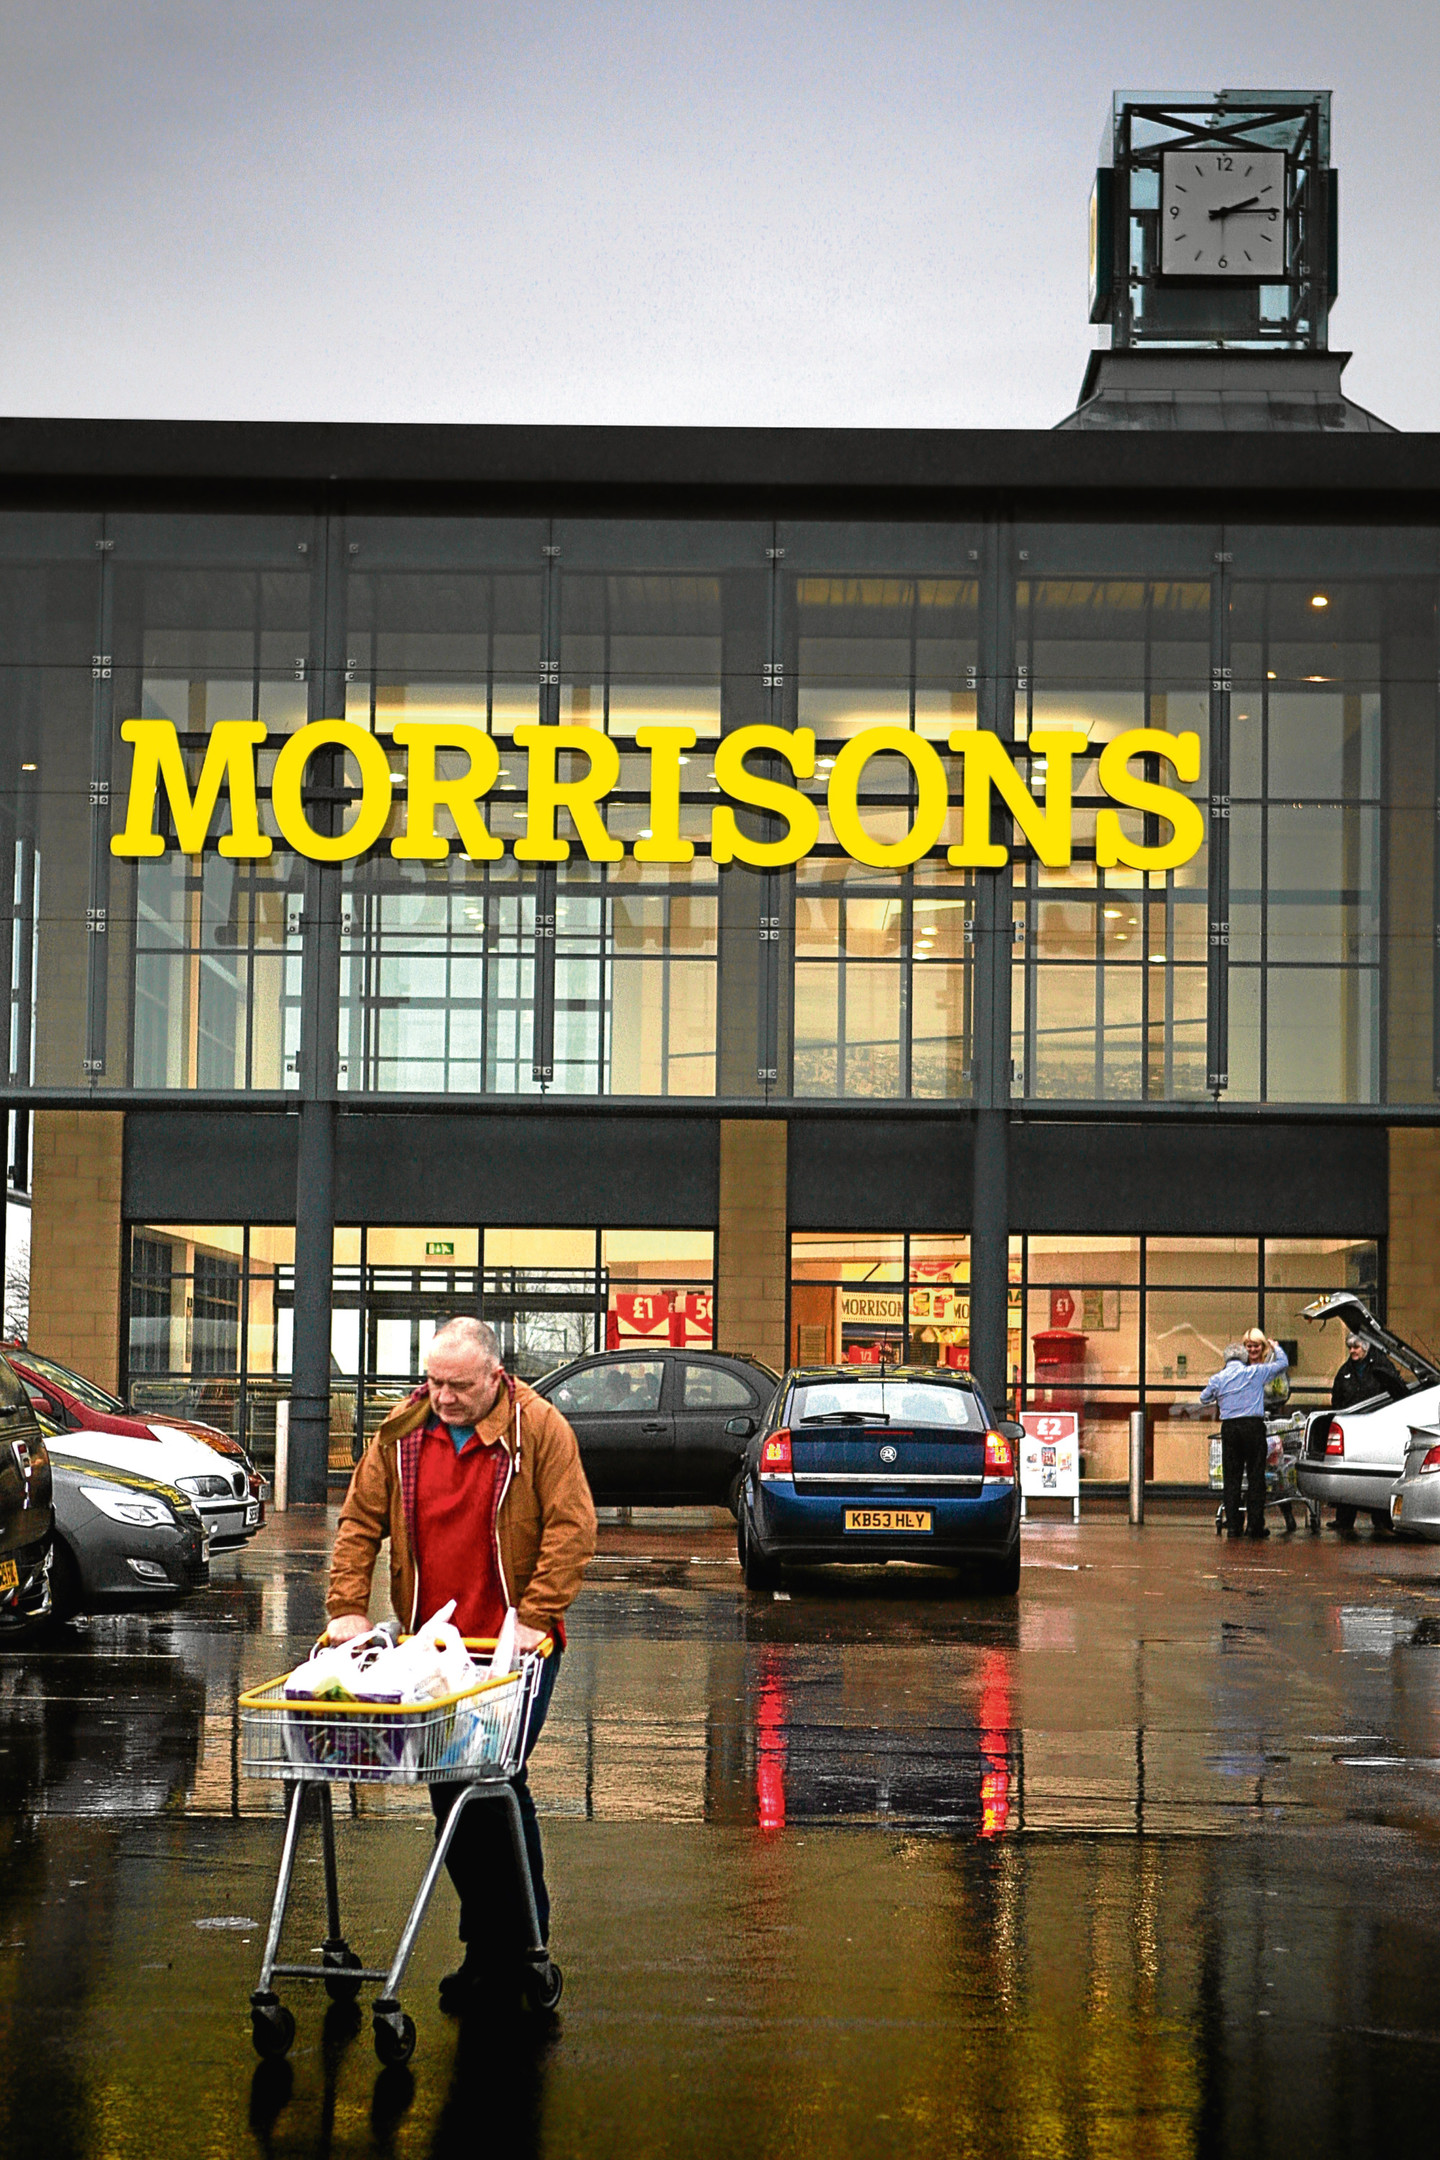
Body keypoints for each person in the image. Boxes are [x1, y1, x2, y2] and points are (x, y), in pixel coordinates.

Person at [324, 1315, 597, 2009]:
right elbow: (360, 1521)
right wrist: (345, 1607)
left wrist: (536, 1617)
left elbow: (573, 1527)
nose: (443, 1397)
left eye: (460, 1386)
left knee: (492, 1781)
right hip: (435, 1648)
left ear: (495, 1377)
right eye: (434, 1382)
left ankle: (520, 1949)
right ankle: (490, 1948)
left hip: (513, 1649)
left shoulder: (538, 1432)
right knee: (452, 1792)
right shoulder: (402, 1433)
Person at [1199, 1328, 1289, 1540]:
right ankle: (1255, 1526)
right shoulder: (1255, 1373)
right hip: (1253, 1427)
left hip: (1230, 1428)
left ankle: (1233, 1526)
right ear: (1244, 1357)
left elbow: (1204, 1398)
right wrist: (1276, 1347)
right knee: (1256, 1477)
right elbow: (1282, 1364)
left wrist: (1221, 1395)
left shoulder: (1218, 1378)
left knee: (1232, 1478)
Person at [1329, 1330, 1408, 1535]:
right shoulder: (1345, 1371)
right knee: (1349, 1471)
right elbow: (1337, 1397)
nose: (1353, 1351)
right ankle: (1344, 1518)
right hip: (1353, 1426)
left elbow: (1396, 1391)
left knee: (1373, 1469)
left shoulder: (1381, 1367)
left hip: (1377, 1425)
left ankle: (1381, 1518)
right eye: (1350, 1348)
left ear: (1365, 1347)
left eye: (1356, 1347)